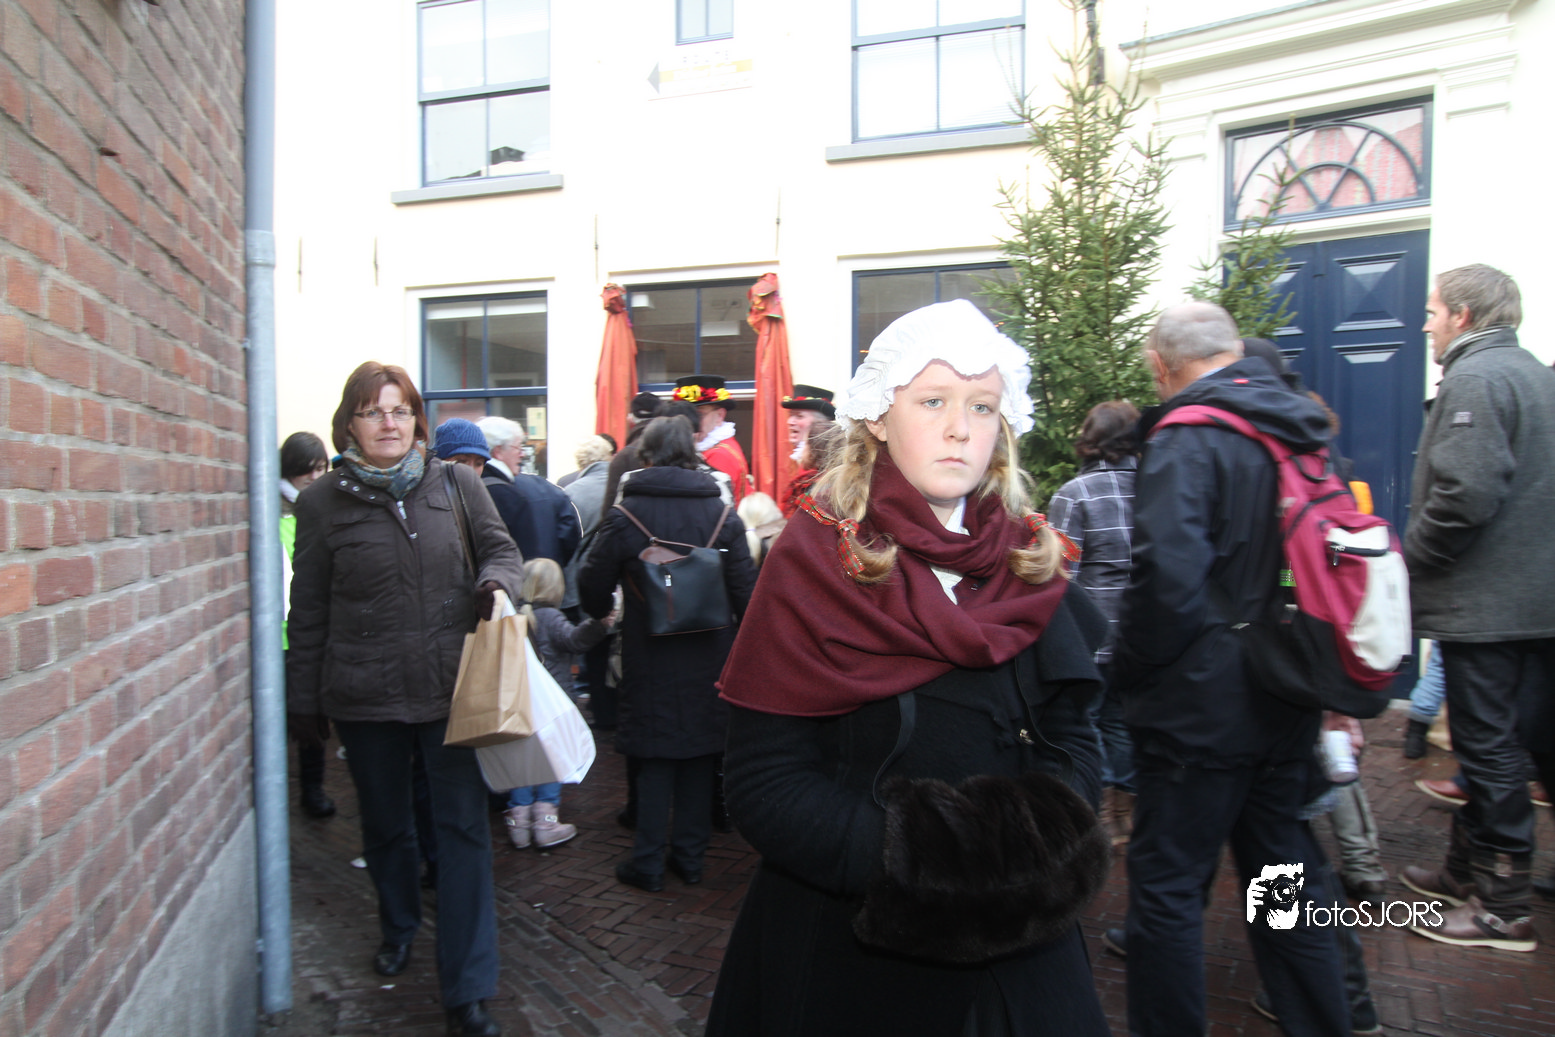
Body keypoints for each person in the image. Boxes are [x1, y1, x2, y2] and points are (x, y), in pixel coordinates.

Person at [705, 299, 1111, 1037]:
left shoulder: (1031, 561)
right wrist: (931, 866)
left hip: (1025, 955)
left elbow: (1074, 735)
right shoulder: (813, 563)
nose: (961, 428)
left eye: (981, 406)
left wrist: (1036, 856)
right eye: (933, 401)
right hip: (853, 954)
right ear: (880, 419)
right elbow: (765, 782)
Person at [1111, 302, 1348, 1037]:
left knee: (1169, 888)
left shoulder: (1189, 434)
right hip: (1286, 691)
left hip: (1199, 710)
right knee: (1282, 884)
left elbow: (1166, 581)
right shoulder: (1297, 425)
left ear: (1160, 365)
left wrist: (1131, 674)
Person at [286, 361, 522, 1037]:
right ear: (350, 425)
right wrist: (303, 698)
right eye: (372, 411)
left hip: (452, 689)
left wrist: (496, 584)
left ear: (416, 419)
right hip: (366, 696)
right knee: (388, 827)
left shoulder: (456, 484)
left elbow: (503, 552)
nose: (387, 423)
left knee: (463, 833)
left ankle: (468, 988)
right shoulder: (322, 503)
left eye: (398, 410)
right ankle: (398, 923)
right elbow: (309, 609)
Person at [1399, 264, 1555, 952]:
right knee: (1520, 740)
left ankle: (1503, 906)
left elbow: (1464, 495)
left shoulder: (1475, 379)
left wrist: (1412, 558)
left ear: (1462, 316)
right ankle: (1463, 869)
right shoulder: (1537, 375)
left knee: (1487, 747)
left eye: (1433, 311)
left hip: (1488, 606)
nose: (1425, 324)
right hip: (1536, 602)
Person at [579, 417, 758, 892]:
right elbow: (747, 592)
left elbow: (592, 582)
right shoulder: (722, 513)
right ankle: (690, 859)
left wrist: (603, 611)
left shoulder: (626, 515)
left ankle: (647, 863)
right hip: (711, 651)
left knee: (655, 754)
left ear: (646, 455)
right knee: (700, 752)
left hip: (649, 651)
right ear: (692, 453)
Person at [1047, 400, 1139, 847]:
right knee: (1121, 721)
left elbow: (1061, 573)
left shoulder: (1076, 494)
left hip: (1093, 635)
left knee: (1088, 722)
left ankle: (1099, 811)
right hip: (1141, 635)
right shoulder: (1158, 488)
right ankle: (1126, 812)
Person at [502, 558, 612, 850]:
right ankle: (546, 821)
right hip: (551, 705)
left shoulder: (512, 615)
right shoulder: (550, 617)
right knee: (551, 759)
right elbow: (574, 641)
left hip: (519, 703)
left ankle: (519, 821)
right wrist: (599, 624)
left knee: (522, 761)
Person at [280, 431, 335, 820]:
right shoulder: (276, 513)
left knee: (313, 715)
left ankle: (312, 788)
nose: (315, 477)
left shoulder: (321, 508)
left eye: (321, 469)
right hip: (281, 635)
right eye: (307, 470)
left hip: (312, 633)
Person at [476, 416, 581, 566]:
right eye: (518, 448)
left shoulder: (473, 488)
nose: (523, 454)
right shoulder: (509, 494)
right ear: (498, 452)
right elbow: (570, 535)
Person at [673, 374, 750, 502]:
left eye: (699, 414)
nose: (691, 421)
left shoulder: (719, 455)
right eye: (685, 415)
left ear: (720, 416)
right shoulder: (714, 447)